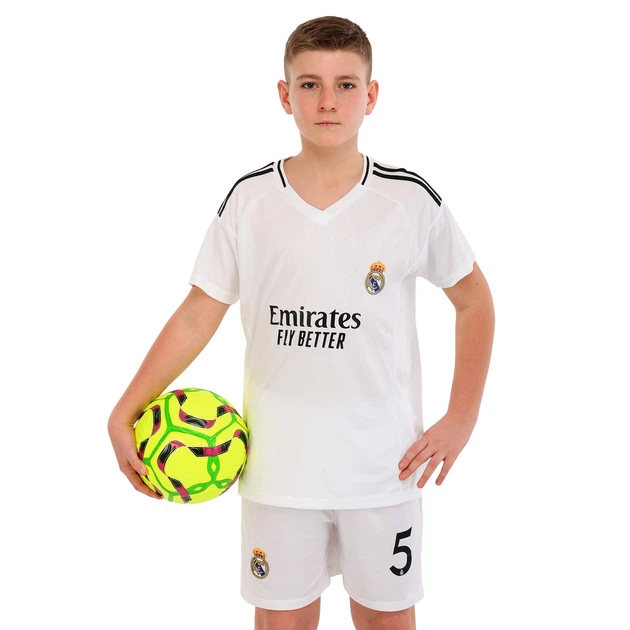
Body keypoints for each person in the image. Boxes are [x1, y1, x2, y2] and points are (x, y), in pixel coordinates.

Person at [108, 15, 495, 630]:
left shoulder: (408, 200)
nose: (327, 101)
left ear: (371, 95)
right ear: (285, 96)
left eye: (346, 85)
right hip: (277, 471)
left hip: (382, 469)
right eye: (310, 84)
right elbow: (197, 314)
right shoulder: (250, 201)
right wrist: (124, 409)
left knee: (387, 620)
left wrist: (463, 417)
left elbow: (474, 300)